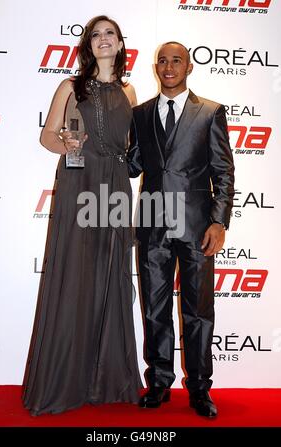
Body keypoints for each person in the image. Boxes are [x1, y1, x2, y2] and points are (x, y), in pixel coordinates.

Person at [22, 15, 142, 416]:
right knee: (76, 274)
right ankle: (66, 379)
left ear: (121, 44)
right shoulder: (70, 86)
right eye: (96, 35)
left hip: (116, 188)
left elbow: (133, 146)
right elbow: (47, 135)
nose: (103, 39)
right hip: (80, 183)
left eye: (110, 34)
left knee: (111, 274)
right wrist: (69, 144)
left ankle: (107, 378)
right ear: (88, 45)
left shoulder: (130, 89)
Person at [127, 42, 235, 417]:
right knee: (154, 309)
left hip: (197, 227)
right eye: (162, 60)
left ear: (188, 67)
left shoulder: (210, 112)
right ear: (155, 67)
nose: (168, 66)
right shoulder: (139, 114)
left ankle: (200, 389)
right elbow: (132, 165)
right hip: (153, 225)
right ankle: (158, 382)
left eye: (176, 60)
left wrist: (219, 222)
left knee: (199, 311)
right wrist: (94, 148)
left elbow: (223, 172)